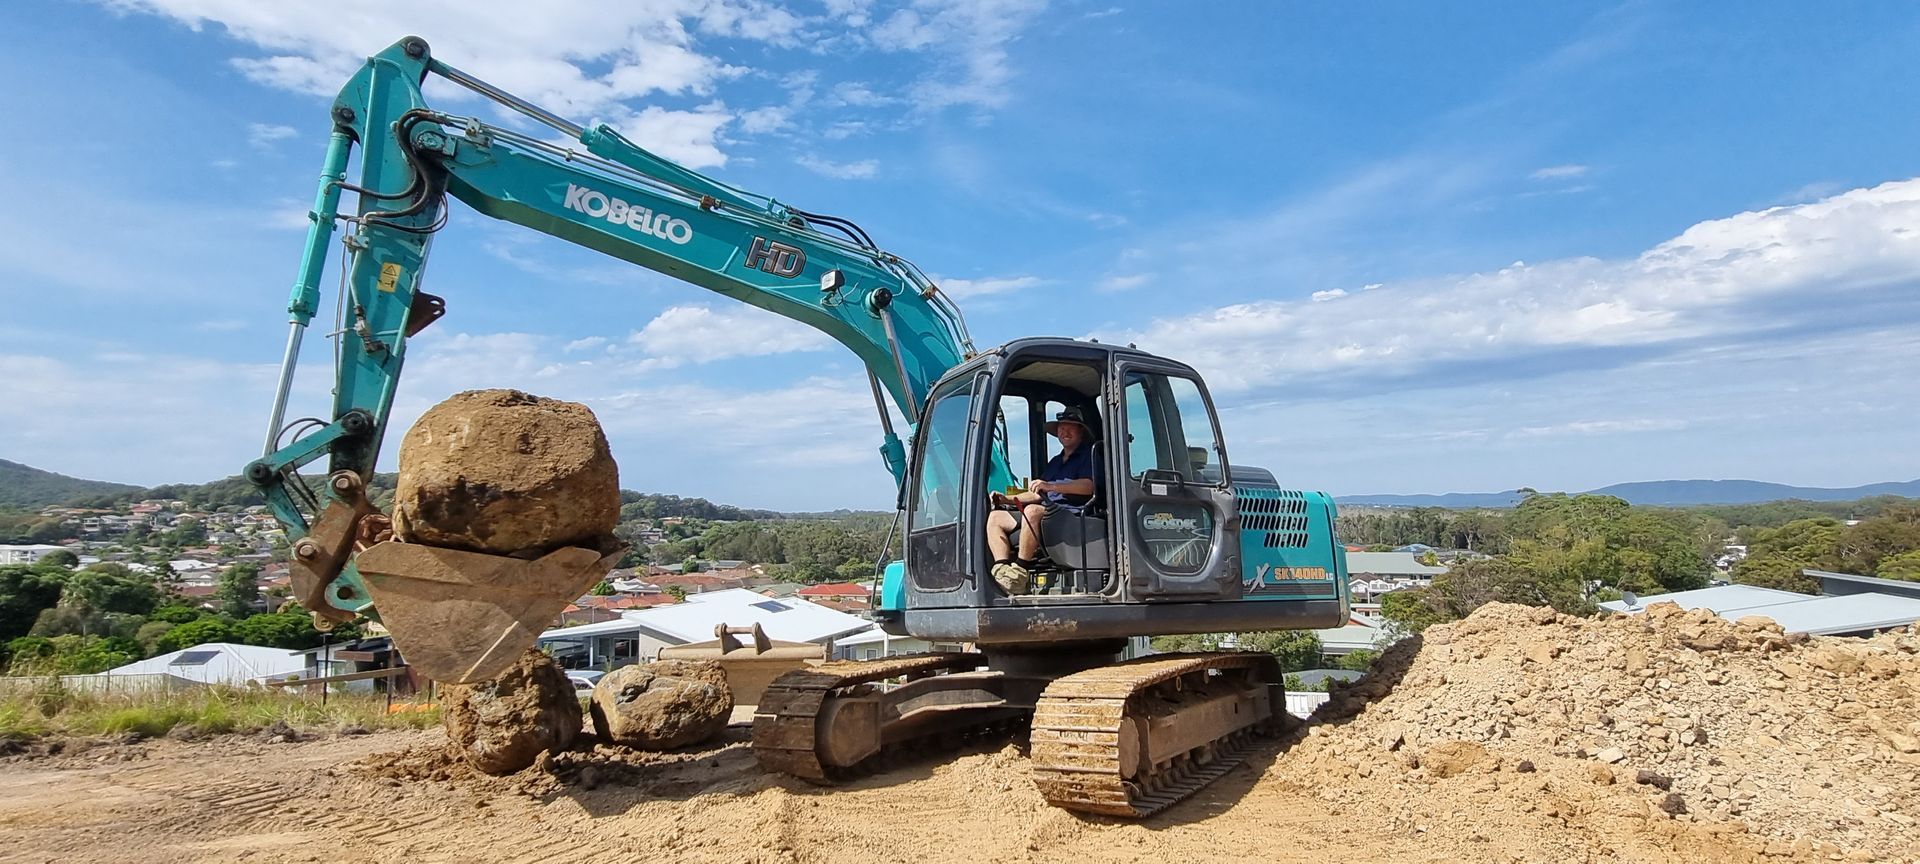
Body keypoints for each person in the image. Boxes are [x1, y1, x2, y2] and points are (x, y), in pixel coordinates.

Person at [987, 407, 1098, 594]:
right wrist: (1007, 499)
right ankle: (1002, 569)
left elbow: (1089, 486)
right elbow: (1037, 492)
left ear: (1081, 432)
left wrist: (1052, 487)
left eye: (1071, 426)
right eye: (1062, 427)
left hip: (1071, 514)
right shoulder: (1055, 462)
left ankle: (1019, 571)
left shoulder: (1090, 455)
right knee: (996, 517)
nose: (1065, 431)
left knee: (1033, 511)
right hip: (1048, 511)